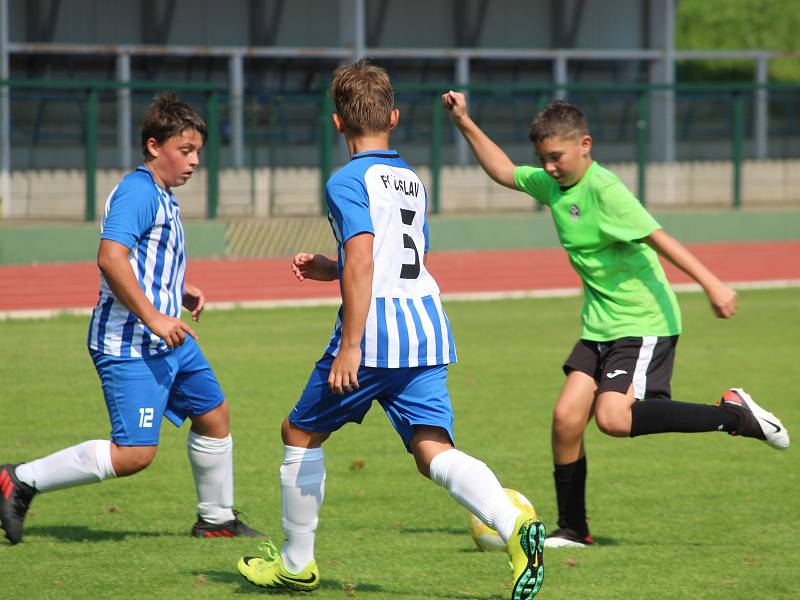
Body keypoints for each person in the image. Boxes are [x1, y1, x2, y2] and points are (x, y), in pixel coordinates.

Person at [235, 60, 545, 600]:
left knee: (299, 433)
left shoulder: (344, 180)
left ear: (337, 123)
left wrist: (350, 344)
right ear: (394, 118)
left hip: (375, 332)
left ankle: (295, 564)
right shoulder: (413, 181)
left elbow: (363, 258)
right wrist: (331, 269)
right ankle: (516, 529)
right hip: (425, 326)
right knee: (432, 449)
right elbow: (398, 254)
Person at [441, 92, 790, 549]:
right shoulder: (554, 186)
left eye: (557, 157)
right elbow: (504, 171)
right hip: (600, 324)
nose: (549, 167)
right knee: (567, 418)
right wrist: (465, 121)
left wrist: (713, 284)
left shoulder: (605, 190)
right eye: (543, 159)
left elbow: (659, 237)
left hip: (642, 321)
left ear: (584, 144)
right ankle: (573, 529)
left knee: (612, 418)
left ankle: (735, 416)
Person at [0, 92, 262, 544]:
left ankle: (216, 519)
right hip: (129, 343)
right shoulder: (138, 192)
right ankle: (19, 479)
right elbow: (110, 258)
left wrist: (177, 291)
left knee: (214, 414)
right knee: (135, 453)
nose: (195, 160)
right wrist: (156, 317)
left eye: (198, 151)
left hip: (169, 339)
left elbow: (142, 260)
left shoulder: (162, 195)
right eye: (186, 150)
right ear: (154, 145)